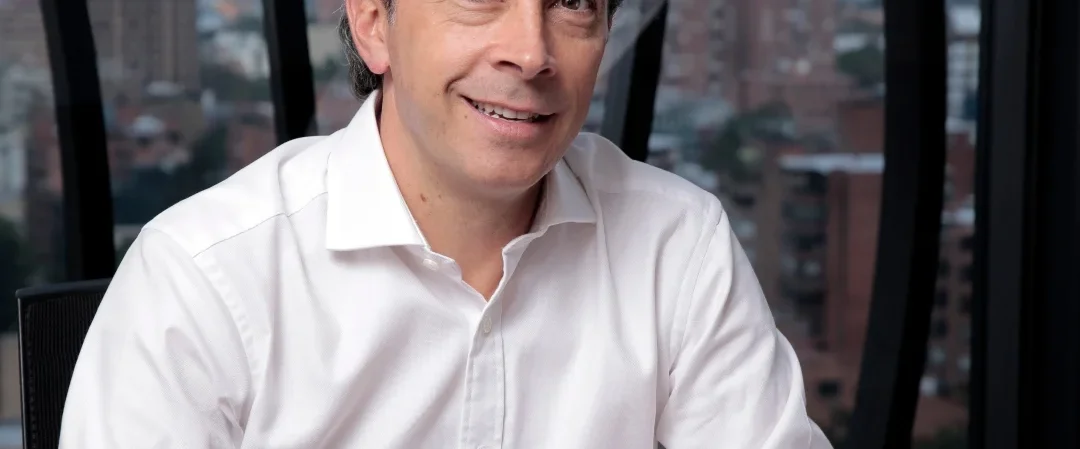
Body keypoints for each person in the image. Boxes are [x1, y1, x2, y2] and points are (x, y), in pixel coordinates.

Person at [60, 0, 832, 447]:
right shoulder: (202, 278)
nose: (531, 52)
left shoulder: (677, 243)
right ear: (374, 22)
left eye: (573, 2)